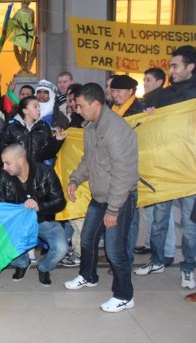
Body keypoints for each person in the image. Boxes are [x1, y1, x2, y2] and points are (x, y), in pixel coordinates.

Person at [64, 83, 139, 313]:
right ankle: (88, 276)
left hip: (120, 197)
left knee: (115, 250)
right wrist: (76, 179)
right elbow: (89, 160)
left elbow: (123, 173)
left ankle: (124, 295)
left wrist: (113, 210)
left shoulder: (116, 130)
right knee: (87, 238)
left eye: (81, 106)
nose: (77, 110)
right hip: (100, 195)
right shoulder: (91, 127)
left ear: (95, 104)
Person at [135, 45, 196, 290]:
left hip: (190, 171)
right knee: (159, 220)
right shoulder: (163, 94)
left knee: (190, 226)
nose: (171, 69)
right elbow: (144, 120)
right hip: (163, 168)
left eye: (175, 65)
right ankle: (157, 260)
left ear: (190, 66)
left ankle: (189, 267)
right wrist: (149, 115)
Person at [0, 144, 67, 286]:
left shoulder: (45, 173)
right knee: (2, 244)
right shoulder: (4, 178)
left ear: (21, 160)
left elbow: (60, 202)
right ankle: (22, 263)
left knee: (61, 248)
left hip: (44, 221)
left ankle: (44, 267)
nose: (4, 168)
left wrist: (39, 205)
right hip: (18, 224)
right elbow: (0, 206)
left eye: (7, 163)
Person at [0, 95, 66, 165]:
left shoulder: (44, 126)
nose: (39, 109)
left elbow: (47, 154)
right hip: (15, 171)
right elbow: (1, 150)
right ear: (25, 110)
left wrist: (57, 141)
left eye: (39, 106)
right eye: (35, 106)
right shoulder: (11, 127)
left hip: (37, 171)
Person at [11, 0, 37, 75]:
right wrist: (17, 24)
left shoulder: (32, 11)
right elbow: (14, 20)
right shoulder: (19, 11)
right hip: (21, 31)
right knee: (22, 49)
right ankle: (22, 66)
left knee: (28, 50)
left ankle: (27, 68)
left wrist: (35, 32)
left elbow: (32, 22)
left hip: (29, 31)